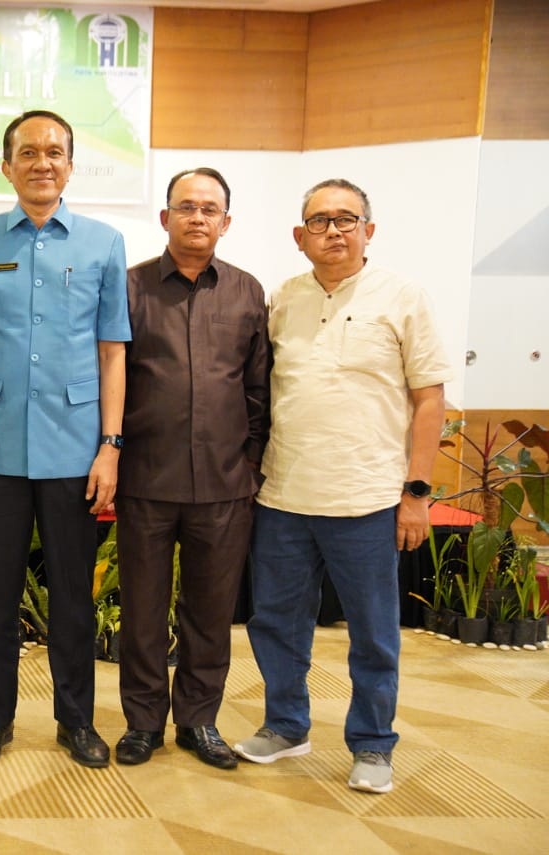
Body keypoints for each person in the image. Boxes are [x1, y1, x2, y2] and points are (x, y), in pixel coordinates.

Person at [234, 179, 450, 794]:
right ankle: (285, 725)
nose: (333, 230)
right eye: (319, 220)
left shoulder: (403, 297)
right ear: (299, 236)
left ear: (369, 231)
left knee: (374, 632)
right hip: (282, 496)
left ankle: (374, 745)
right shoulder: (282, 300)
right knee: (275, 622)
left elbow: (429, 398)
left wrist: (417, 492)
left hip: (367, 498)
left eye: (346, 219)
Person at [0, 110, 130, 768]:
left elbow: (113, 352)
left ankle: (76, 720)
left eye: (56, 151)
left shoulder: (104, 243)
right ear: (7, 166)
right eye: (28, 152)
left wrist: (110, 443)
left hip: (76, 449)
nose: (42, 162)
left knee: (74, 599)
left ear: (71, 165)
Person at [113, 168, 270, 770]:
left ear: (225, 222)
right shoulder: (128, 288)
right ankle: (143, 723)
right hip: (146, 481)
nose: (197, 218)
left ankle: (199, 720)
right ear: (165, 218)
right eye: (186, 207)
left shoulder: (247, 292)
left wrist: (249, 464)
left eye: (210, 209)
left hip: (226, 486)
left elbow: (258, 388)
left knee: (210, 612)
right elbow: (113, 379)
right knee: (144, 611)